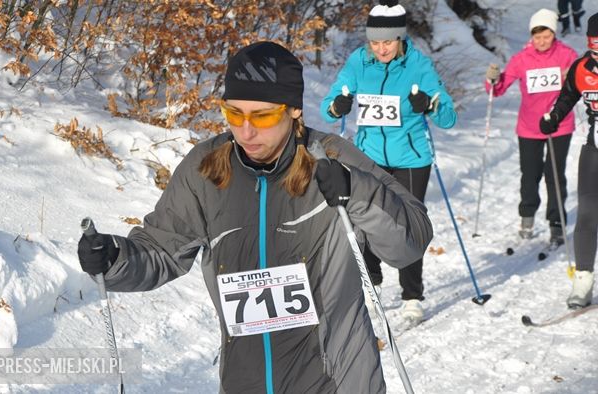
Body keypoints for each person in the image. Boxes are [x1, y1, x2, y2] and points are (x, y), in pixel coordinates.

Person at [77, 41, 433, 393]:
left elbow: (411, 241)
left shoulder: (333, 158)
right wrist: (115, 258)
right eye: (234, 114)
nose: (245, 131)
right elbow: (161, 250)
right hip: (244, 382)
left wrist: (358, 189)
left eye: (262, 116)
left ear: (293, 110)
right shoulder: (206, 169)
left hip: (336, 382)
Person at [319, 0, 456, 325]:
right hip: (369, 159)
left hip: (410, 159)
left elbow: (448, 117)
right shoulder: (358, 62)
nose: (381, 49)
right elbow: (328, 106)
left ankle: (412, 296)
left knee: (407, 227)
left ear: (400, 38)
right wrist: (338, 105)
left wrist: (429, 104)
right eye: (375, 42)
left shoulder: (417, 66)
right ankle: (372, 280)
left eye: (388, 42)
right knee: (363, 219)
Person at [484, 8, 577, 246]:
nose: (542, 41)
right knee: (530, 174)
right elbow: (500, 88)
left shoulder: (567, 55)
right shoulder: (522, 59)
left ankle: (556, 223)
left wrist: (570, 77)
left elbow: (579, 81)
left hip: (559, 124)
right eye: (537, 37)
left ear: (553, 34)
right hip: (529, 126)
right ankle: (527, 215)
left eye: (546, 36)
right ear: (531, 36)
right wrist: (493, 79)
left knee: (554, 175)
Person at [539, 12, 598, 309]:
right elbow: (567, 97)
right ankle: (583, 279)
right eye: (595, 47)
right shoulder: (581, 68)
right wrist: (554, 117)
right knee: (587, 212)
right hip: (595, 148)